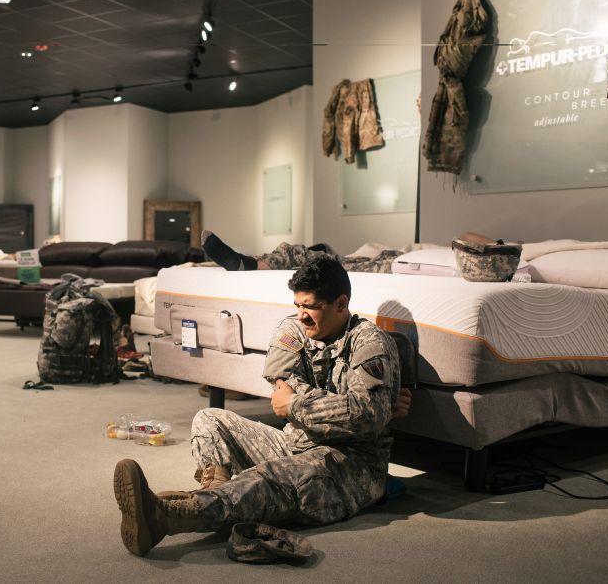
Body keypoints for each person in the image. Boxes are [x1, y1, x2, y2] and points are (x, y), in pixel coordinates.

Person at [113, 254, 412, 556]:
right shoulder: (293, 328)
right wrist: (339, 406)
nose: (302, 315)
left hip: (349, 462)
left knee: (270, 479)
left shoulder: (369, 342)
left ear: (341, 304)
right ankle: (210, 498)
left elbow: (365, 414)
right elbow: (279, 381)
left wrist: (297, 405)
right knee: (210, 419)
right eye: (298, 305)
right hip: (296, 442)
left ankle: (166, 516)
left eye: (311, 306)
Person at [200, 230, 401, 273]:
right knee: (301, 253)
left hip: (379, 264)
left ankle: (248, 263)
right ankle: (246, 262)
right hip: (368, 257)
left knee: (318, 262)